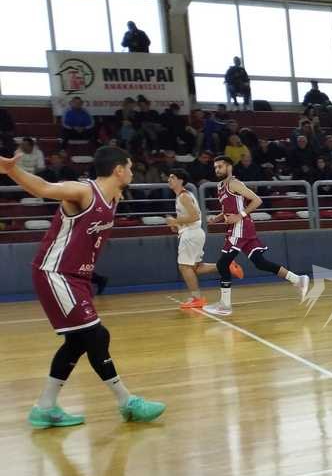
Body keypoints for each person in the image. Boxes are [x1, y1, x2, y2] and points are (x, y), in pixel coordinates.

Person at [0, 145, 165, 428]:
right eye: (130, 167)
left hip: (78, 277)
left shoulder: (113, 196)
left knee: (77, 342)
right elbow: (43, 188)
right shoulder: (84, 191)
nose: (132, 172)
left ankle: (45, 407)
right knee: (97, 336)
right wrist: (12, 170)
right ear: (119, 170)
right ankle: (127, 402)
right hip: (56, 272)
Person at [203, 156, 309, 316]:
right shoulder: (220, 186)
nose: (217, 169)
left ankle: (225, 305)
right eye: (215, 167)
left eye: (220, 166)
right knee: (260, 262)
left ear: (229, 167)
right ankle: (298, 280)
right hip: (240, 228)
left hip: (240, 227)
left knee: (223, 264)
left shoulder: (234, 183)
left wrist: (239, 216)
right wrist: (217, 218)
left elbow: (257, 200)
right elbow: (227, 209)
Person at [166, 169, 241, 309]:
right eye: (169, 177)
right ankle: (226, 265)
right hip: (194, 233)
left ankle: (197, 298)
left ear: (181, 180)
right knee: (196, 268)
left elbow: (194, 216)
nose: (169, 180)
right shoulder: (184, 195)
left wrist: (175, 221)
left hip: (191, 235)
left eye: (172, 177)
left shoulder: (183, 196)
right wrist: (178, 225)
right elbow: (191, 217)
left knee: (184, 267)